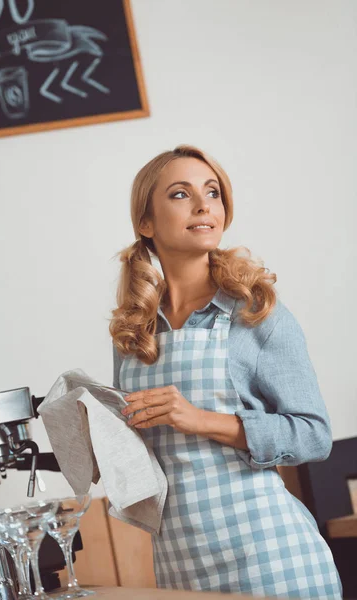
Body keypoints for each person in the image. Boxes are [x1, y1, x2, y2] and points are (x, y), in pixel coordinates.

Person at [110, 144, 342, 598]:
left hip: (272, 561)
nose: (203, 205)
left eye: (212, 192)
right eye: (180, 194)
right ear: (146, 223)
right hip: (180, 563)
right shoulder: (134, 331)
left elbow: (313, 434)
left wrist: (199, 420)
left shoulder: (256, 314)